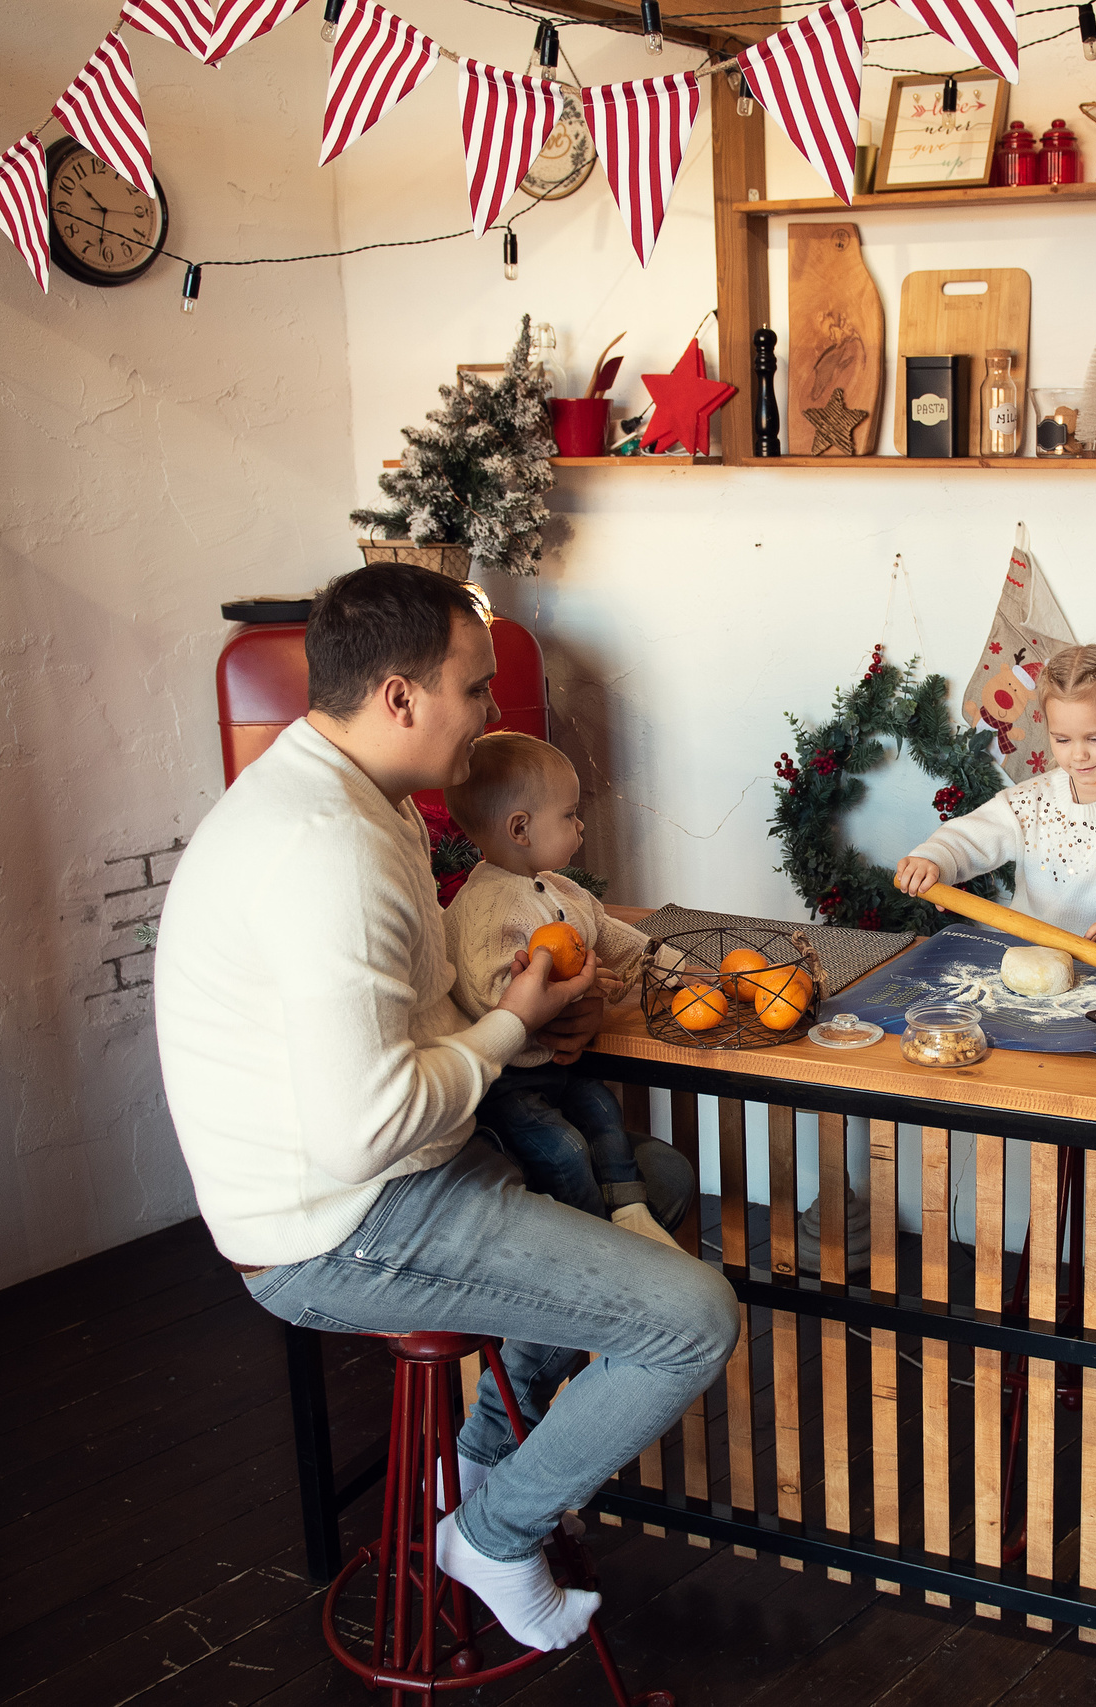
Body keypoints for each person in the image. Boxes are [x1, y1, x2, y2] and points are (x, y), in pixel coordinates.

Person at [154, 563, 738, 1651]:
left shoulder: (367, 802)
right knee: (694, 1319)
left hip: (407, 1170)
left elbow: (403, 1021)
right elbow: (363, 1128)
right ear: (399, 698)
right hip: (339, 1224)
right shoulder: (326, 850)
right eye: (475, 689)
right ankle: (495, 1528)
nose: (491, 713)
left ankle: (473, 1456)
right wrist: (513, 1024)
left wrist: (524, 1013)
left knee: (647, 1183)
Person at [443, 730, 680, 1252]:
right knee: (566, 1149)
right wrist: (580, 987)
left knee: (602, 1109)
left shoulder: (564, 889)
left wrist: (678, 968)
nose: (580, 825)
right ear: (520, 829)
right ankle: (592, 1244)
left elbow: (618, 942)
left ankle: (631, 1209)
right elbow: (491, 994)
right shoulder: (485, 907)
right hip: (506, 1080)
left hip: (562, 1068)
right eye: (570, 815)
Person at [892, 644, 1096, 944]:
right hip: (1028, 959)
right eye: (1063, 739)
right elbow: (970, 837)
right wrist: (934, 859)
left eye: (1095, 738)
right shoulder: (1033, 798)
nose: (1079, 754)